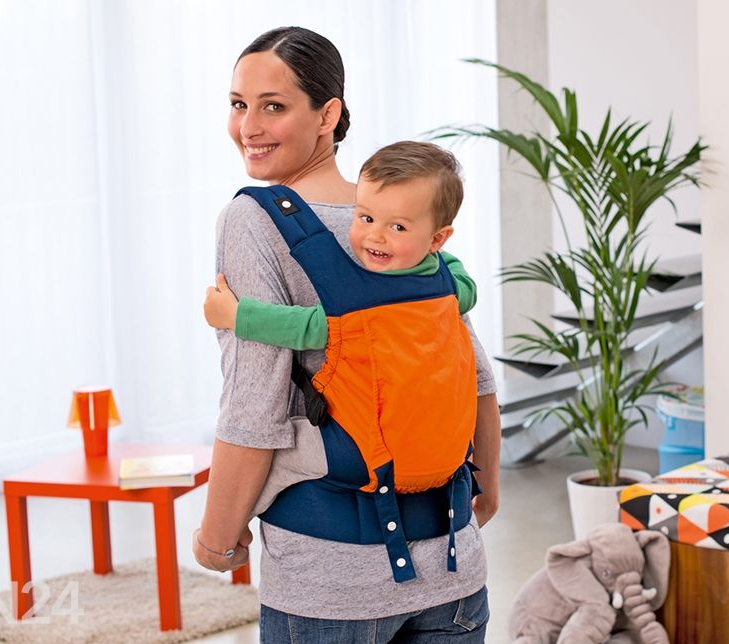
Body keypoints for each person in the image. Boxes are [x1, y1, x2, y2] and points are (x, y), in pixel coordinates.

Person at [192, 26, 501, 642]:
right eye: (238, 104)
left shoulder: (254, 220)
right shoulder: (409, 216)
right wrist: (487, 487)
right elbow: (474, 376)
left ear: (327, 114)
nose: (248, 127)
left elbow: (255, 406)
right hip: (455, 571)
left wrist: (217, 538)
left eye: (273, 106)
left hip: (330, 583)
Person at [202, 141, 477, 349]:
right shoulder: (450, 287)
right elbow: (469, 290)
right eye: (367, 218)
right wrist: (436, 255)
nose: (375, 236)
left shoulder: (364, 299)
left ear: (437, 238)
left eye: (397, 227)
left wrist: (235, 316)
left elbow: (304, 327)